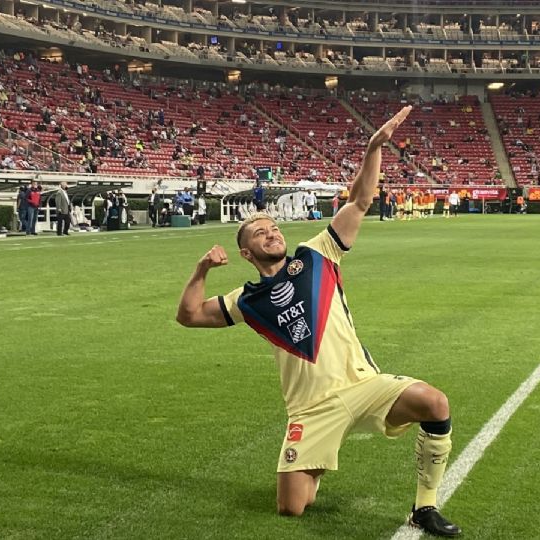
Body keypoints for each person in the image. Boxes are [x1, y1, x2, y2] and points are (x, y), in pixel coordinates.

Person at [175, 106, 462, 537]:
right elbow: (189, 315)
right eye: (260, 233)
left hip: (362, 384)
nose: (272, 233)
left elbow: (361, 200)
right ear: (247, 254)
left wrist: (373, 148)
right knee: (293, 508)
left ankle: (425, 507)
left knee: (435, 403)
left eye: (273, 228)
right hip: (310, 408)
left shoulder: (317, 254)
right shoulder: (246, 300)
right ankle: (317, 459)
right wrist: (200, 271)